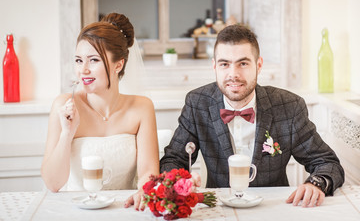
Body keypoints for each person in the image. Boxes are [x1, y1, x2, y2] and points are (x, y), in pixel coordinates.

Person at [160, 24, 344, 207]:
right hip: (219, 208)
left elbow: (327, 162)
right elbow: (173, 159)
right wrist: (177, 182)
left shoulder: (289, 106)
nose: (234, 74)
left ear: (259, 65)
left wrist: (316, 184)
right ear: (215, 66)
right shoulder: (197, 103)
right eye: (225, 64)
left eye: (243, 63)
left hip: (275, 207)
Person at [41, 13, 159, 210]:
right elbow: (53, 184)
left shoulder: (142, 108)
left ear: (118, 64)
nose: (83, 70)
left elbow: (148, 171)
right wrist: (67, 133)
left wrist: (144, 191)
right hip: (77, 209)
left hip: (125, 209)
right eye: (79, 60)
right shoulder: (63, 105)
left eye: (93, 60)